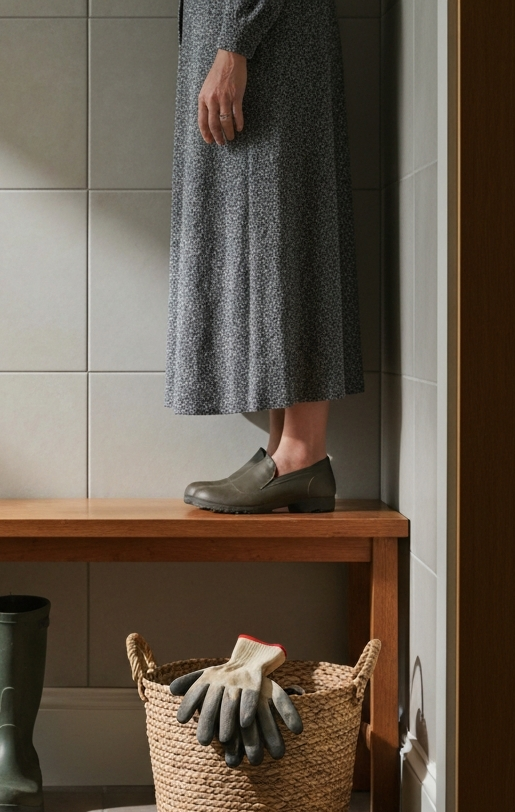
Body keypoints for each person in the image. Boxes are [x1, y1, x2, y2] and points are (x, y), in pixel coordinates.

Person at [168, 0, 363, 514]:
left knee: (285, 218)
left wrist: (234, 43)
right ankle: (285, 447)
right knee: (271, 230)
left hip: (268, 41)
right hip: (259, 37)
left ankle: (302, 451)